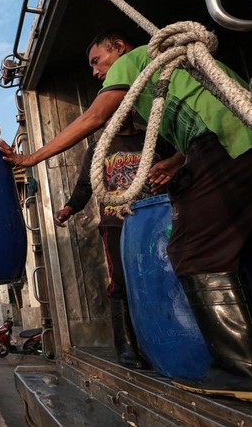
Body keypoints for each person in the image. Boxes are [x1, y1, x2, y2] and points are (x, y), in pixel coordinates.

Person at [0, 30, 252, 398]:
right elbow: (207, 112)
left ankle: (241, 371)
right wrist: (175, 161)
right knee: (243, 248)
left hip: (224, 145)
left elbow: (93, 116)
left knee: (196, 251)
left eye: (96, 61)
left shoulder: (135, 61)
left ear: (119, 48)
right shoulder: (174, 73)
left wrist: (30, 158)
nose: (95, 72)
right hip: (242, 140)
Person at [54, 114, 179, 369]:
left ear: (132, 111)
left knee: (166, 277)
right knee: (121, 282)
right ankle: (127, 348)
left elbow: (177, 167)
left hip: (157, 220)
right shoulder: (98, 148)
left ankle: (170, 339)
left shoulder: (154, 138)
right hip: (116, 224)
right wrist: (69, 208)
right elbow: (84, 186)